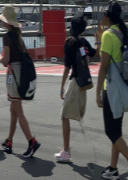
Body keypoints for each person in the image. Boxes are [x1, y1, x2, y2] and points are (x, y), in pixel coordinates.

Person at [97, 1, 128, 180]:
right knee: (117, 131)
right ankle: (113, 169)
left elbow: (103, 66)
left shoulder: (108, 34)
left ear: (107, 16)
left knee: (111, 132)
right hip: (123, 87)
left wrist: (97, 90)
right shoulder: (121, 33)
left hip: (112, 89)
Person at [0, 5, 40, 156]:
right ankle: (9, 140)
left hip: (13, 74)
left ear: (6, 22)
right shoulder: (17, 37)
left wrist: (0, 57)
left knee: (18, 111)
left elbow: (6, 60)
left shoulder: (7, 37)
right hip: (20, 73)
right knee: (14, 110)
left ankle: (31, 141)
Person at [56, 12, 95, 164]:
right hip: (84, 84)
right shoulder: (83, 41)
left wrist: (61, 88)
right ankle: (66, 150)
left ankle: (66, 152)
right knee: (70, 114)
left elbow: (67, 67)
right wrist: (97, 41)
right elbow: (94, 53)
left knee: (64, 115)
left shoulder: (69, 42)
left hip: (75, 83)